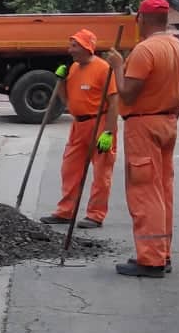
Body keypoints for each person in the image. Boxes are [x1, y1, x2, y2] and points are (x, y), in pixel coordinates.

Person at [114, 0, 179, 279]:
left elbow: (128, 93)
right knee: (162, 190)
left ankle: (151, 258)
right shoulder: (178, 48)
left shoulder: (145, 51)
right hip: (168, 121)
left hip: (143, 124)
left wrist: (116, 67)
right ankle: (163, 252)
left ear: (142, 19)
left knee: (145, 191)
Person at [40, 29, 119, 230]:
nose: (70, 50)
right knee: (70, 169)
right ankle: (66, 211)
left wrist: (108, 132)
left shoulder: (103, 69)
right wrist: (60, 82)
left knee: (101, 172)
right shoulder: (73, 68)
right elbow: (67, 101)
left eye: (74, 46)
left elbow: (114, 101)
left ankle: (96, 214)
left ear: (86, 47)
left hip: (99, 124)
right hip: (78, 125)